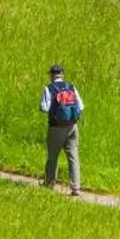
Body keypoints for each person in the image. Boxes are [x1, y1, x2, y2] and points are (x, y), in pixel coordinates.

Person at [40, 64, 82, 195]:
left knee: (53, 156)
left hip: (56, 127)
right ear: (62, 74)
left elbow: (44, 108)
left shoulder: (49, 88)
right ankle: (75, 187)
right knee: (73, 156)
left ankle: (49, 183)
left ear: (52, 75)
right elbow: (81, 106)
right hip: (72, 126)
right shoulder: (71, 87)